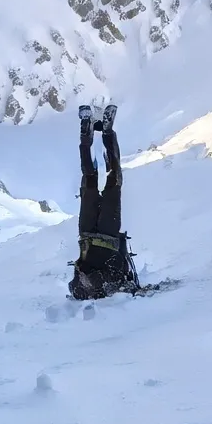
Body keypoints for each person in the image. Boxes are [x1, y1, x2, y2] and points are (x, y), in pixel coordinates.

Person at [69, 103, 140, 300]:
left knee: (100, 181)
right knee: (109, 181)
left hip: (93, 235)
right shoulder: (103, 288)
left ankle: (88, 130)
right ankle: (106, 133)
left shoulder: (91, 291)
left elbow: (75, 287)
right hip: (100, 235)